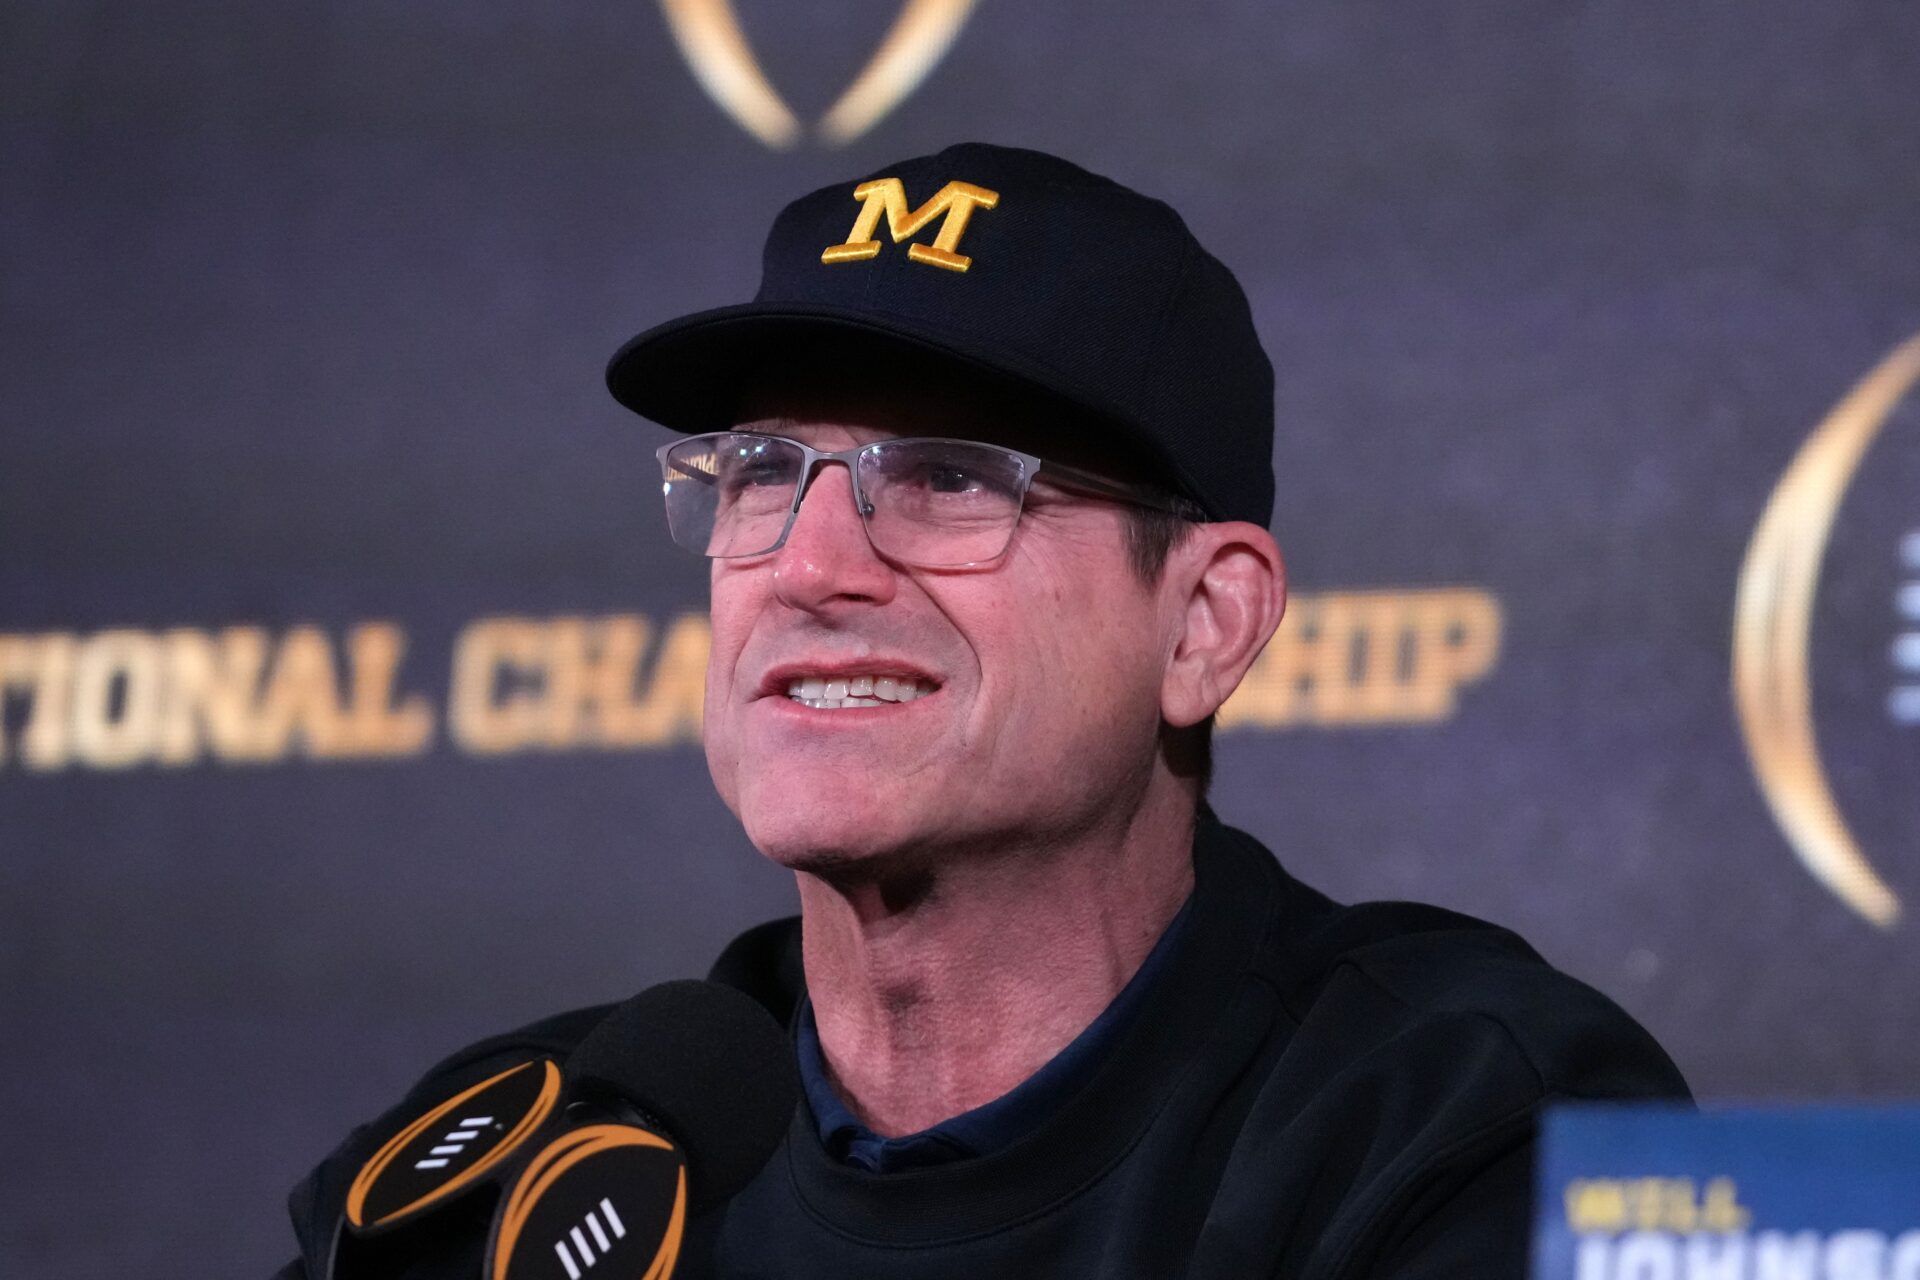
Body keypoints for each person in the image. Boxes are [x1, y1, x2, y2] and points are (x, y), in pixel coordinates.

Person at [282, 142, 1687, 1278]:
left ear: (1204, 625)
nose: (814, 570)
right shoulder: (523, 1171)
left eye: (950, 479)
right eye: (765, 474)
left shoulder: (1460, 1126)